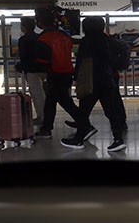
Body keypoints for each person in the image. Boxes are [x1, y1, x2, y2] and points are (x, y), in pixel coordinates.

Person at [62, 17, 127, 151]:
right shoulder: (107, 40)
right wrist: (118, 65)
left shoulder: (87, 41)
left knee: (83, 112)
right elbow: (124, 48)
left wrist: (76, 77)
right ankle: (118, 140)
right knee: (111, 112)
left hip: (91, 81)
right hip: (107, 80)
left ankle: (79, 139)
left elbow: (81, 61)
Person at [34, 7, 94, 142]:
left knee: (65, 102)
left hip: (54, 74)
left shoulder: (43, 39)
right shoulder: (65, 37)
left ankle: (86, 125)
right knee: (51, 102)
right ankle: (46, 128)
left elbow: (43, 61)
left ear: (40, 22)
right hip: (67, 73)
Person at [15, 16, 46, 124]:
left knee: (37, 94)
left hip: (31, 70)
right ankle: (44, 116)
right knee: (41, 93)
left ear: (24, 27)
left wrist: (21, 66)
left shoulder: (23, 39)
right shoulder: (39, 37)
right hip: (43, 68)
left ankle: (42, 117)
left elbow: (24, 56)